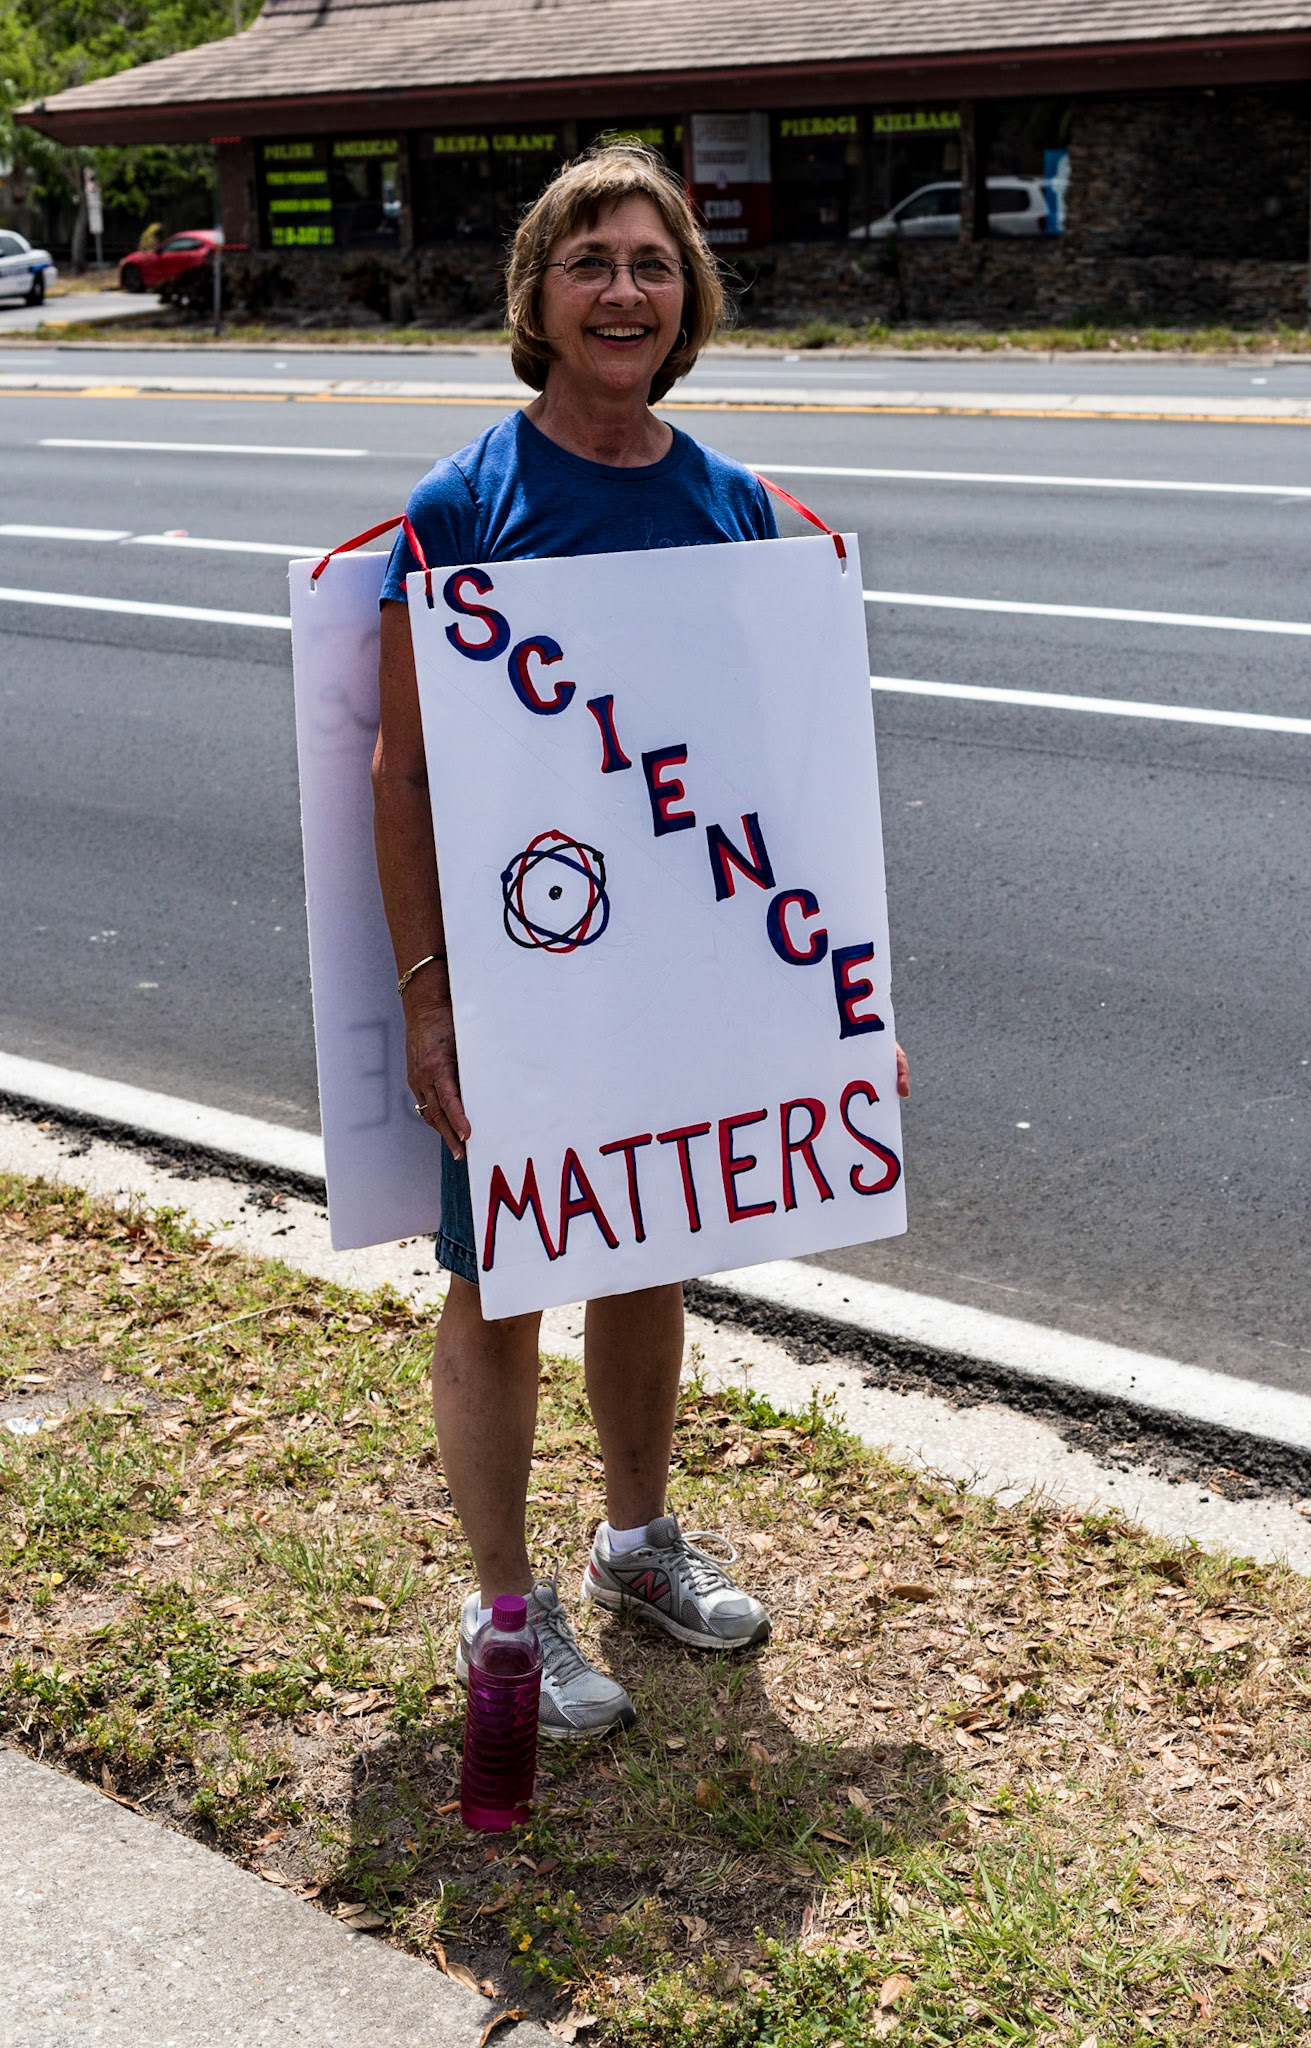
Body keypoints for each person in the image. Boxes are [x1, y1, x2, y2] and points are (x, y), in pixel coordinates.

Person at [373, 144, 910, 1739]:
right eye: (592, 260)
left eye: (653, 262)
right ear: (537, 293)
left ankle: (635, 1544)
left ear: (691, 299)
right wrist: (429, 996)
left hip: (678, 960)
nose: (625, 289)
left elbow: (778, 766)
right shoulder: (466, 503)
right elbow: (401, 770)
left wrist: (837, 990)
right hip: (528, 966)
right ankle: (502, 1610)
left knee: (648, 1242)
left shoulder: (734, 503)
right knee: (503, 1273)